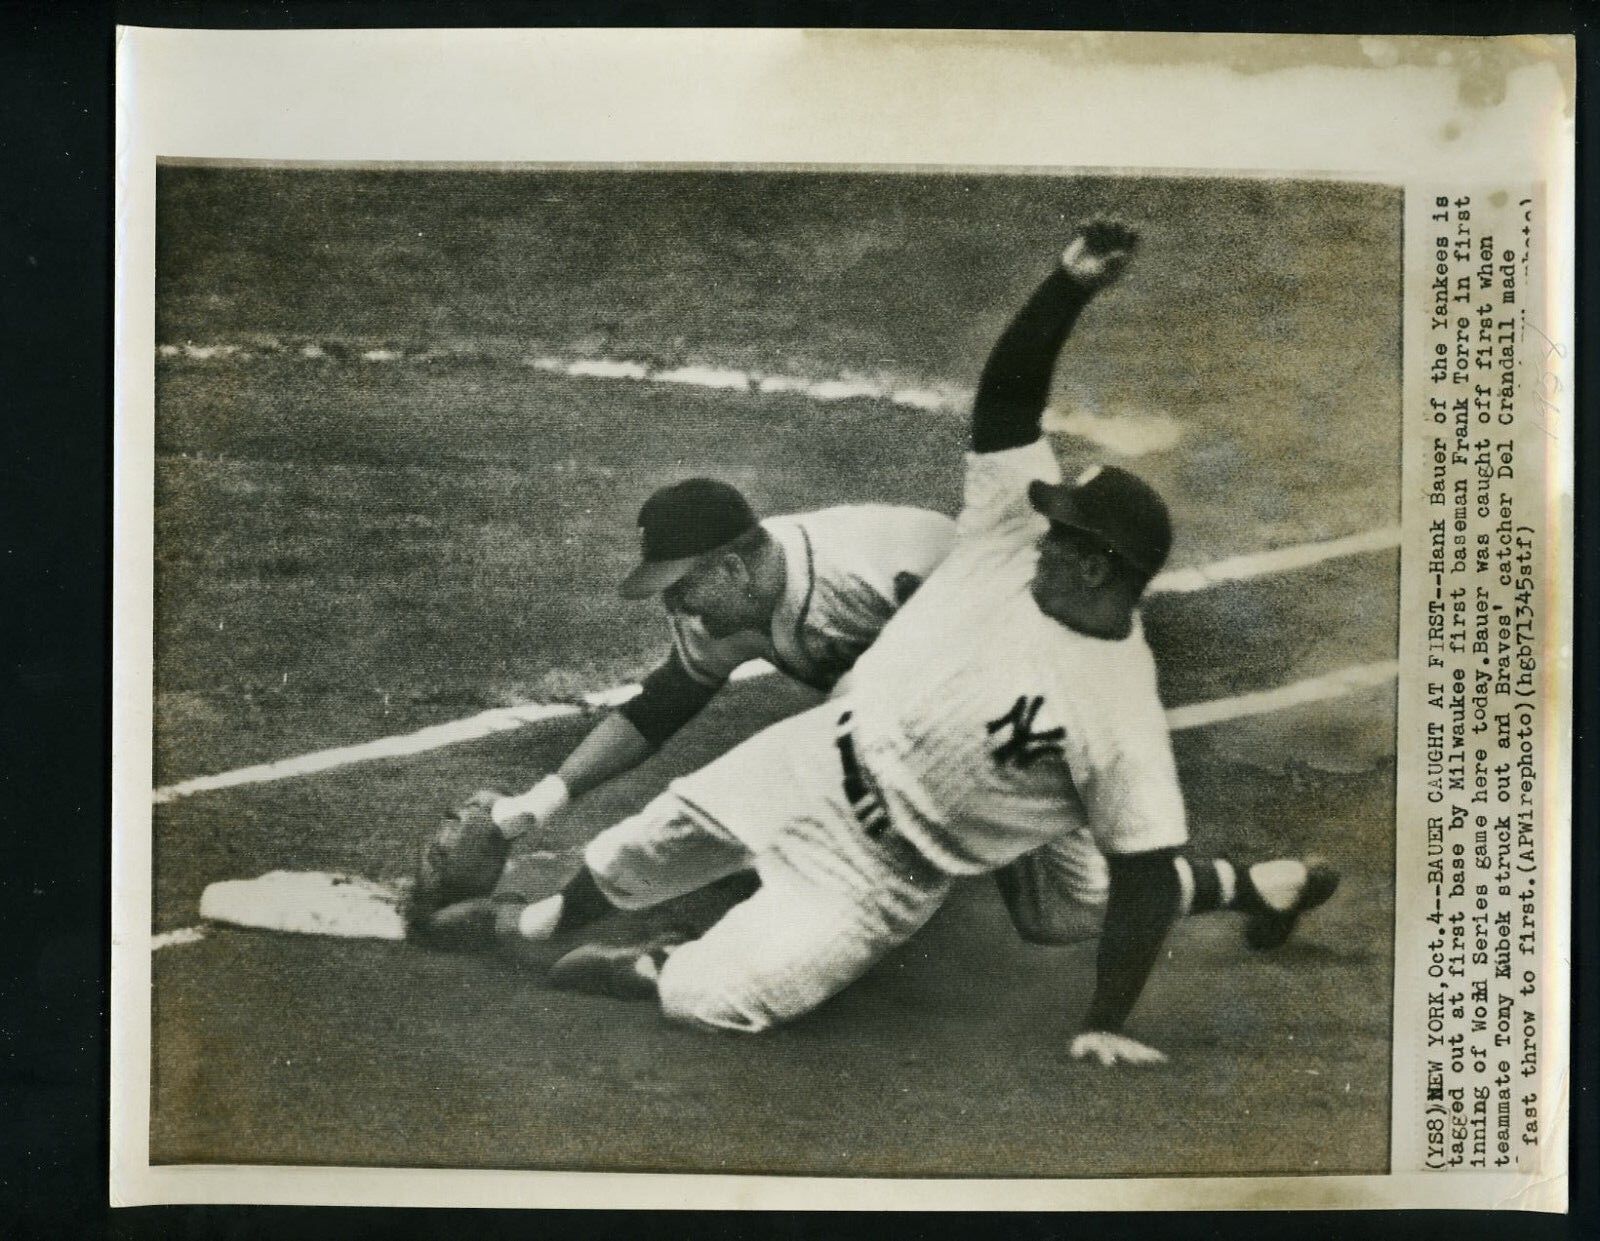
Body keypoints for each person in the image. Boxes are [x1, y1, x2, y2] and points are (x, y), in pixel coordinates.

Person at [412, 220, 1338, 1066]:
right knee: (641, 844)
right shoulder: (1006, 543)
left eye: (1063, 532)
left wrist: (1107, 1020)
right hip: (822, 756)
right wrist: (1066, 286)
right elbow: (1006, 410)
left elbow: (1140, 876)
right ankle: (530, 926)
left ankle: (658, 964)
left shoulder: (1095, 691)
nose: (1039, 530)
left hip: (905, 853)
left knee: (1057, 907)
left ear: (1097, 567)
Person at [476, 476, 955, 838]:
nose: (673, 606)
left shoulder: (876, 573)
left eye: (681, 586)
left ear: (732, 569)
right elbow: (659, 707)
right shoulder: (716, 611)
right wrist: (538, 804)